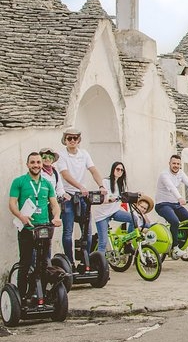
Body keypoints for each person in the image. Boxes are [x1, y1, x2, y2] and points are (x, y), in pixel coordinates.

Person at [8, 152, 62, 300]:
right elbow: (12, 203)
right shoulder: (19, 182)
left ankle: (41, 294)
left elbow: (54, 204)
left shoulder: (47, 184)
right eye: (33, 162)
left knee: (43, 264)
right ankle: (22, 297)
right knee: (25, 262)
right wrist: (21, 216)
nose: (36, 165)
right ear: (27, 165)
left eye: (38, 162)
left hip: (44, 228)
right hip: (27, 229)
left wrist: (56, 217)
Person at [55, 128, 107, 263]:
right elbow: (65, 175)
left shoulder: (84, 154)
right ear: (65, 140)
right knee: (68, 232)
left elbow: (93, 170)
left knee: (87, 231)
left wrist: (101, 186)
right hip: (68, 196)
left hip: (82, 197)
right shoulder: (61, 155)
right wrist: (80, 187)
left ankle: (86, 260)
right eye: (69, 138)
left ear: (78, 140)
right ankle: (70, 261)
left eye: (75, 138)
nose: (72, 141)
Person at [155, 154, 188, 259]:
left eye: (178, 164)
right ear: (169, 163)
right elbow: (171, 187)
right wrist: (180, 198)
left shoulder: (180, 173)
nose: (176, 165)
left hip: (175, 204)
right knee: (174, 222)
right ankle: (174, 247)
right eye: (174, 163)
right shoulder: (164, 175)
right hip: (162, 204)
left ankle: (181, 242)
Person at [94, 162, 135, 254]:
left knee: (134, 218)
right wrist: (110, 199)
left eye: (122, 170)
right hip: (102, 215)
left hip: (114, 212)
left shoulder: (120, 184)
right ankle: (100, 265)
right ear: (113, 170)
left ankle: (128, 243)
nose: (119, 171)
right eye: (117, 169)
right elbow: (101, 200)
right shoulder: (105, 182)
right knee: (103, 243)